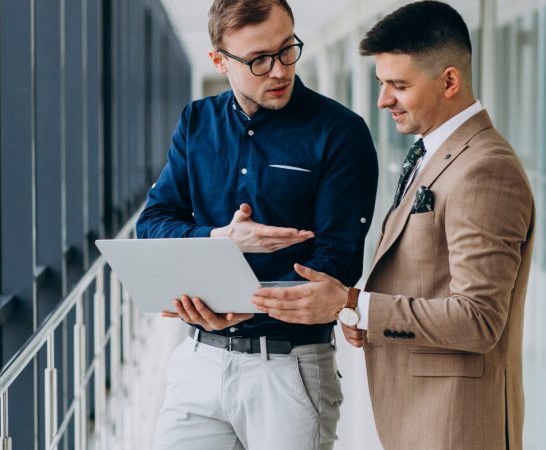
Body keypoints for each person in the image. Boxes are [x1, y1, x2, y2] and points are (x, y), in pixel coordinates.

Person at [252, 2, 536, 449]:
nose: (383, 100)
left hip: (455, 425)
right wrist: (360, 313)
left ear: (449, 82)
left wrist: (353, 303)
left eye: (398, 85)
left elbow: (478, 319)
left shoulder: (485, 169)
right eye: (382, 83)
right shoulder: (437, 152)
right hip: (423, 415)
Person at [135, 0, 378, 449]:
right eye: (259, 60)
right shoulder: (196, 122)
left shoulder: (341, 132)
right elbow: (152, 225)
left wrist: (252, 302)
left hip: (289, 371)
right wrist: (220, 239)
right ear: (219, 62)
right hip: (198, 359)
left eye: (288, 49)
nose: (280, 70)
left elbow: (337, 261)